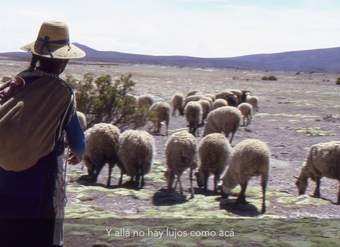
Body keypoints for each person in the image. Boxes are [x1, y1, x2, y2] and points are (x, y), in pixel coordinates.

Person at [0, 21, 86, 247]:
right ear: (63, 61)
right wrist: (78, 152)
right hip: (41, 185)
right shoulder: (63, 93)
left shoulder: (16, 83)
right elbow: (77, 140)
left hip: (5, 181)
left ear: (36, 55)